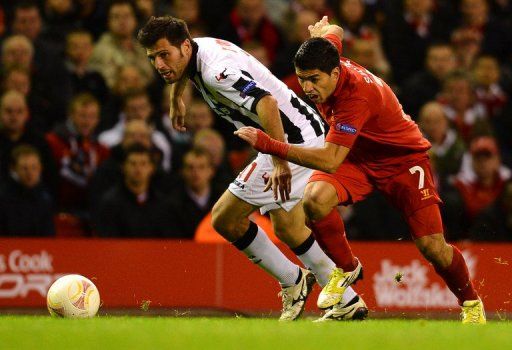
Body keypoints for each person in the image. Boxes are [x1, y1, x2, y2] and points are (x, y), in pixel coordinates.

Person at [235, 16, 485, 324]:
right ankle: (347, 267)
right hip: (357, 156)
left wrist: (269, 144)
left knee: (432, 247)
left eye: (315, 79)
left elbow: (329, 161)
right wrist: (321, 32)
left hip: (402, 160)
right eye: (302, 79)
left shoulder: (356, 97)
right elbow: (335, 31)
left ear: (336, 72)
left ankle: (471, 303)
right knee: (314, 199)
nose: (308, 88)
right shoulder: (329, 55)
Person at [137, 16, 367, 321]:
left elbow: (267, 103)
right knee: (287, 227)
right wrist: (176, 97)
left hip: (291, 140)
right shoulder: (196, 47)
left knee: (225, 218)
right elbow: (180, 69)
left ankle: (293, 281)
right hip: (300, 130)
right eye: (153, 58)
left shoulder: (218, 73)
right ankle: (347, 301)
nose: (159, 64)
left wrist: (280, 162)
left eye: (164, 55)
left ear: (183, 46)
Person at [0, 145, 54, 237]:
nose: (30, 173)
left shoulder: (45, 197)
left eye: (34, 167)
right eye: (24, 168)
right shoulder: (3, 197)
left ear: (40, 168)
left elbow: (48, 234)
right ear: (13, 169)